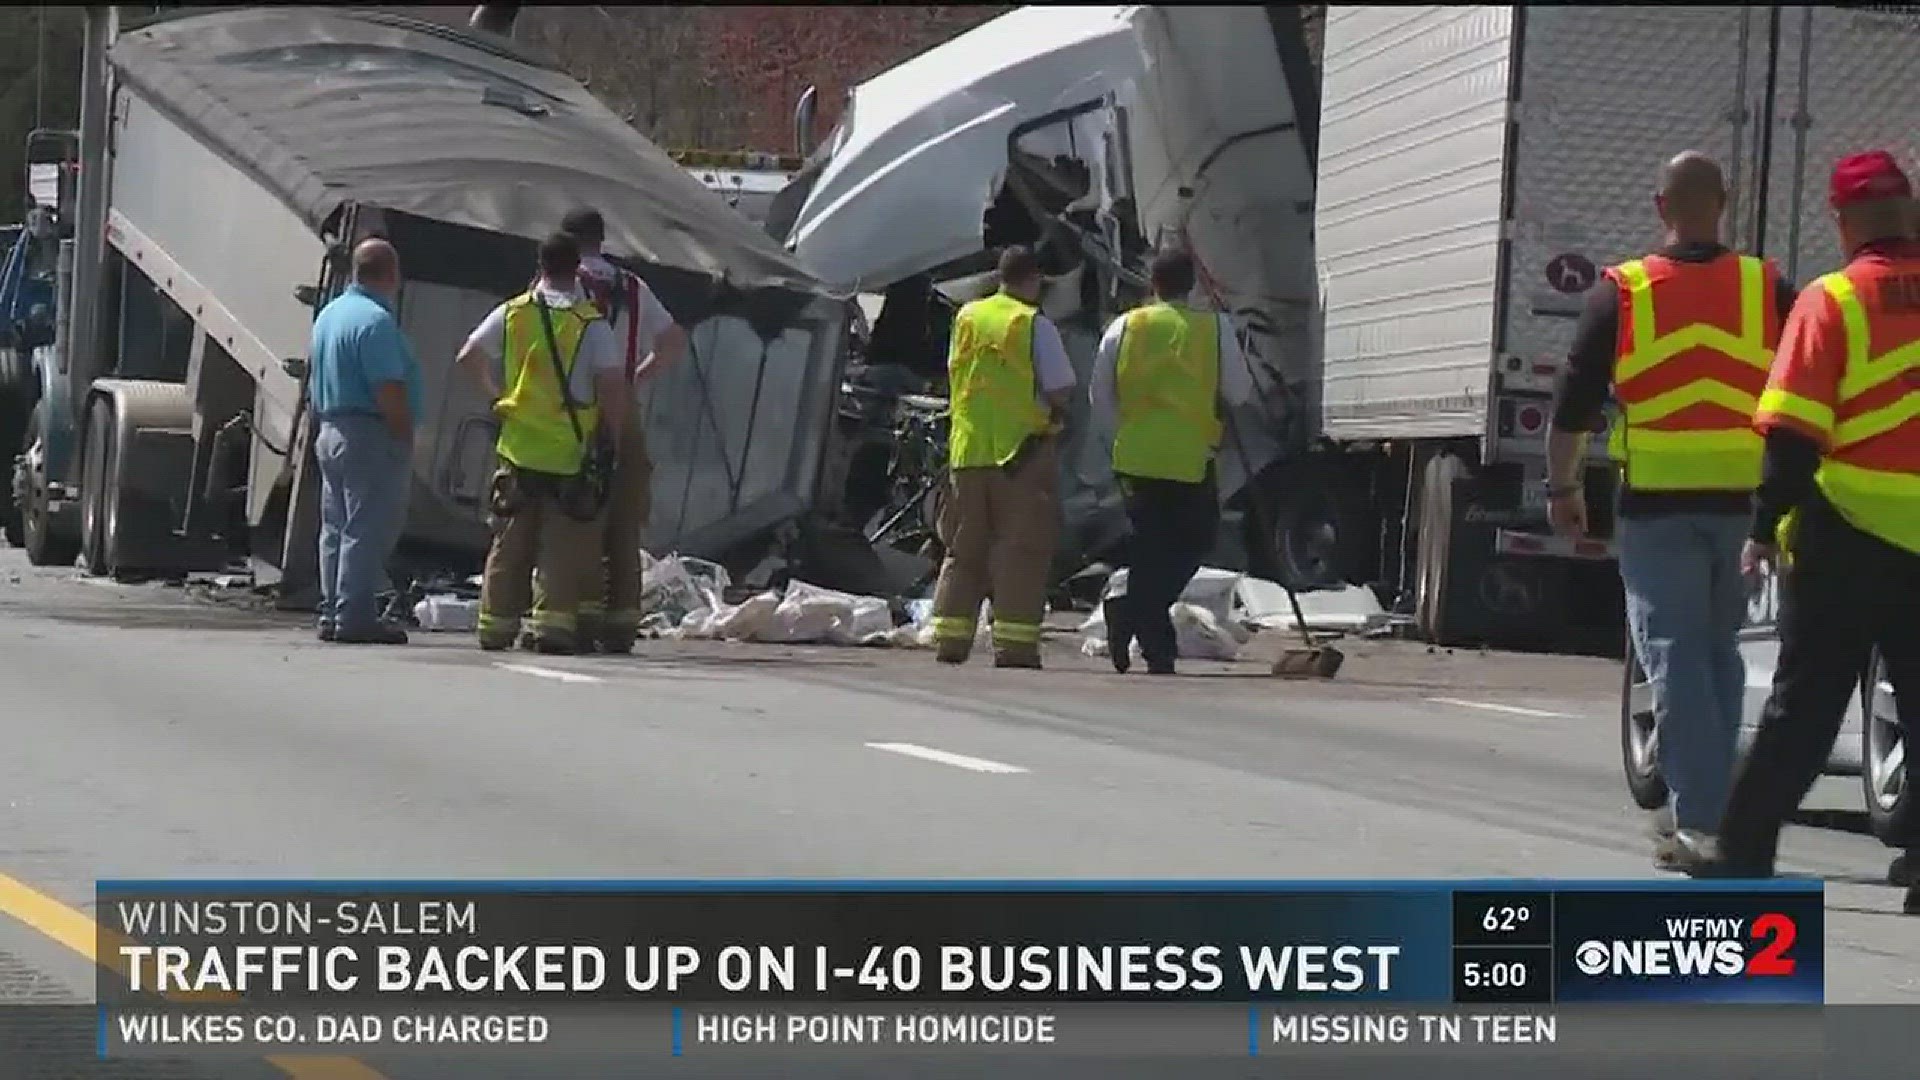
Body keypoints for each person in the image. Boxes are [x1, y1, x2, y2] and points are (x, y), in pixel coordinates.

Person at [1546, 151, 1796, 869]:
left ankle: (1702, 822)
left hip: (1658, 510)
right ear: (1727, 199)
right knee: (1716, 658)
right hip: (1744, 511)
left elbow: (1573, 403)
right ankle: (1715, 810)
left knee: (1677, 659)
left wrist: (1562, 490)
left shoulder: (1620, 294)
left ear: (1661, 207)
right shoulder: (1768, 287)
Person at [1704, 150, 1920, 912]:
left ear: (1845, 219)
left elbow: (1794, 430)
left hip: (1850, 534)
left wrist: (1763, 524)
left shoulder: (1835, 300)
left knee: (1808, 700)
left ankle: (1741, 852)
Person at [455, 231, 628, 654]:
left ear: (540, 266)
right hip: (568, 454)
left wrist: (497, 397)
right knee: (561, 546)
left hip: (517, 449)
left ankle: (495, 627)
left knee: (509, 541)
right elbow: (610, 388)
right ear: (578, 270)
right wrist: (613, 440)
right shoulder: (591, 324)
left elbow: (468, 356)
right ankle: (551, 628)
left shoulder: (513, 313)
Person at [531, 206, 686, 654]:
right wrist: (637, 376)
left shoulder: (560, 282)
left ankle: (571, 614)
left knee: (573, 513)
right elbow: (673, 340)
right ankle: (619, 621)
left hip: (572, 408)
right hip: (625, 403)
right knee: (623, 514)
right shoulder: (632, 286)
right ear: (602, 239)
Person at [1088, 249, 1248, 675]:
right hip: (1189, 456)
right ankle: (1144, 626)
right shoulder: (1214, 329)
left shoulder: (1125, 326)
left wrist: (1119, 437)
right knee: (1193, 543)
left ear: (1151, 284)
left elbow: (1099, 394)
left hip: (1136, 455)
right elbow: (1241, 391)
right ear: (1192, 285)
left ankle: (1138, 620)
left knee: (1149, 547)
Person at [927, 246, 1077, 669]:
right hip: (1020, 455)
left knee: (964, 547)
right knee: (1021, 550)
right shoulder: (1033, 324)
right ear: (1034, 280)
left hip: (968, 451)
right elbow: (1060, 386)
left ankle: (950, 641)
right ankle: (1013, 646)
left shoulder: (968, 318)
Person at [308, 238, 421, 645]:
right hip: (369, 432)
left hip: (330, 427)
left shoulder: (330, 315)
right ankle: (354, 616)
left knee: (336, 526)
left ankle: (332, 611)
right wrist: (405, 434)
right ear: (390, 274)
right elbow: (388, 387)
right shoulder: (375, 322)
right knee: (367, 526)